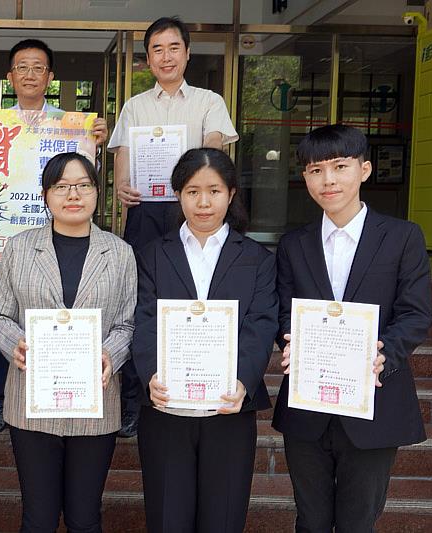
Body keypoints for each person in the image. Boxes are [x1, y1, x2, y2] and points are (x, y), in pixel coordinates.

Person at [0, 39, 109, 435]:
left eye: (38, 68)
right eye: (22, 67)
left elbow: (82, 178)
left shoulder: (71, 126)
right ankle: (0, 401)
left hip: (52, 239)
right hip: (0, 238)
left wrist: (96, 143)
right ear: (9, 77)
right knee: (5, 312)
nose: (30, 74)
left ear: (50, 77)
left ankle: (59, 384)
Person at [273, 125, 432, 532]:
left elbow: (415, 314)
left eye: (339, 166)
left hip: (374, 404)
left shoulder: (402, 237)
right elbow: (283, 311)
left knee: (358, 522)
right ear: (305, 178)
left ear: (364, 170)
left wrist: (383, 354)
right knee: (310, 519)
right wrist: (289, 340)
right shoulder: (294, 243)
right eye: (315, 170)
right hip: (308, 404)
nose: (328, 180)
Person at [131, 148, 278, 532]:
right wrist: (150, 376)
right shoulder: (152, 255)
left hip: (229, 408)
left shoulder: (258, 258)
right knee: (168, 517)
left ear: (231, 194)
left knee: (223, 517)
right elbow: (143, 320)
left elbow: (261, 324)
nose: (204, 202)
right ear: (178, 195)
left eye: (214, 190)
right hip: (167, 407)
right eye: (193, 191)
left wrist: (243, 381)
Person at [108, 15, 240, 438]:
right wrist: (123, 187)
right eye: (156, 50)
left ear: (187, 52)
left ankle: (200, 378)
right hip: (147, 210)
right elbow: (123, 154)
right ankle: (135, 399)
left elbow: (214, 154)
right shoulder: (135, 105)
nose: (165, 57)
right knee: (140, 299)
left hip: (190, 210)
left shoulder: (208, 101)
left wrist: (198, 188)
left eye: (173, 48)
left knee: (190, 292)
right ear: (148, 59)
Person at [0, 152, 136, 532]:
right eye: (62, 187)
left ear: (96, 193)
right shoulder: (20, 248)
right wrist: (15, 343)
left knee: (85, 517)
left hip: (95, 402)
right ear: (45, 195)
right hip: (32, 401)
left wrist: (111, 354)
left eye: (83, 185)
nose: (73, 195)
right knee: (37, 517)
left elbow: (128, 324)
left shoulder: (120, 253)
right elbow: (0, 316)